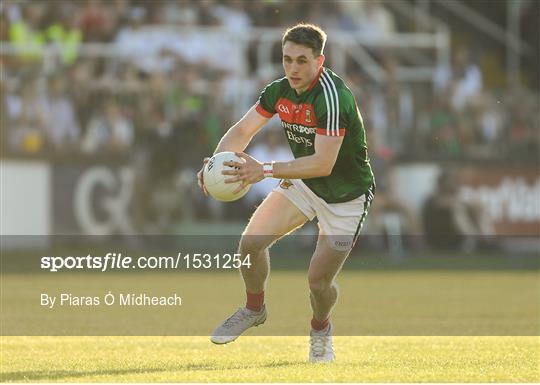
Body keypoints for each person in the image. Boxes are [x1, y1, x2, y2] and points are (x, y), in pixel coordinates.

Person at [197, 23, 375, 363]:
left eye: (302, 61)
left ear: (319, 61)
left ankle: (320, 329)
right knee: (250, 243)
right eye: (287, 59)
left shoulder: (333, 97)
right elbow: (243, 130)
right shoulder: (278, 91)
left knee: (318, 283)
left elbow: (323, 163)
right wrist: (214, 165)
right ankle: (254, 308)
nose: (293, 68)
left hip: (346, 197)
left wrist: (262, 170)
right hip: (305, 184)